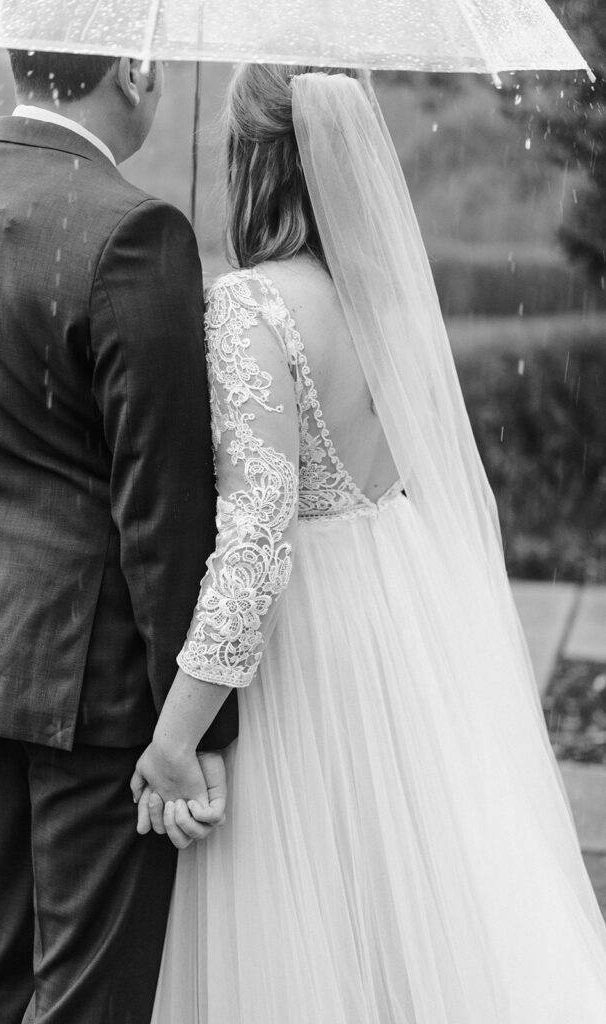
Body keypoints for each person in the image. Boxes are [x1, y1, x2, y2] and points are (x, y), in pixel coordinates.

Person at [138, 65, 606, 1022]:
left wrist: (176, 738)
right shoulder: (386, 297)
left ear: (254, 160)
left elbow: (257, 544)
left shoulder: (248, 307)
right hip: (395, 614)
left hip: (302, 645)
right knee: (406, 902)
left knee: (305, 921)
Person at [0, 49, 236, 1024]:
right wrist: (194, 727)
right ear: (135, 71)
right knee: (87, 995)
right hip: (94, 690)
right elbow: (163, 509)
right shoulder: (135, 232)